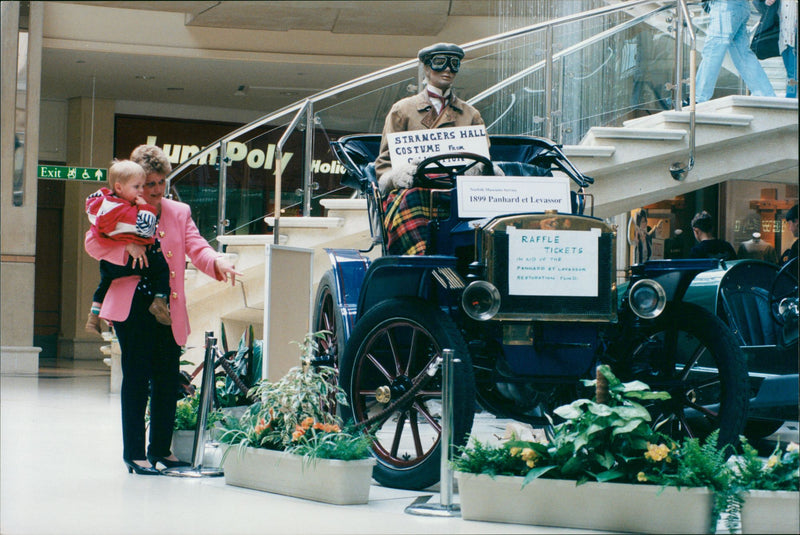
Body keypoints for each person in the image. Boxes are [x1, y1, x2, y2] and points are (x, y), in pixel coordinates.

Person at [84, 145, 241, 475]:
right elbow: (92, 242)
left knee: (167, 379)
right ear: (136, 183)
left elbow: (196, 245)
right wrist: (125, 247)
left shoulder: (178, 211)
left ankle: (161, 451)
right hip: (131, 305)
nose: (155, 190)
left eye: (161, 182)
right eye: (148, 184)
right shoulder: (116, 206)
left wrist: (217, 261)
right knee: (137, 378)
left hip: (166, 306)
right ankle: (134, 454)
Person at [375, 42, 488, 255]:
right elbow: (384, 164)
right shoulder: (402, 110)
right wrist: (397, 176)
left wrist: (480, 170)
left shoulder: (470, 114)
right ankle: (420, 257)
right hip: (416, 190)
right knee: (411, 198)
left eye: (454, 64)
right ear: (427, 68)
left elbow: (483, 157)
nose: (448, 69)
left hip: (458, 191)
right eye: (440, 63)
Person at [84, 160, 172, 335]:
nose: (142, 191)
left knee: (104, 282)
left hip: (113, 266)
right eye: (138, 186)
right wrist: (145, 208)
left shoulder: (103, 205)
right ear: (119, 187)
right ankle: (160, 300)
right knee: (162, 268)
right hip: (133, 266)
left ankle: (93, 316)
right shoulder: (127, 211)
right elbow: (146, 228)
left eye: (143, 185)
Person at [695, 0, 776, 103]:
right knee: (742, 55)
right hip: (740, 7)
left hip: (725, 6)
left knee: (713, 50)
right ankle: (766, 95)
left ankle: (699, 98)